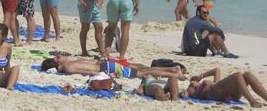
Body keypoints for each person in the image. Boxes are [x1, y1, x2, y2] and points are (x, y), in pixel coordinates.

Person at [184, 67, 267, 108]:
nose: (193, 82)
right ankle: (252, 102)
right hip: (213, 95)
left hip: (221, 91)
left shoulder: (208, 83)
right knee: (237, 75)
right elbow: (194, 97)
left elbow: (217, 70)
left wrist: (201, 76)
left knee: (247, 74)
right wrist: (203, 84)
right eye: (192, 83)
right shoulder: (191, 86)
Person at [40, 55, 185, 79]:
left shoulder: (67, 66)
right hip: (106, 66)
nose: (60, 56)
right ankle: (173, 70)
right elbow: (87, 68)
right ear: (56, 63)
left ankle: (174, 73)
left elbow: (88, 71)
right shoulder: (67, 66)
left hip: (106, 67)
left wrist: (104, 74)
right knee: (142, 70)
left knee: (141, 73)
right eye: (57, 57)